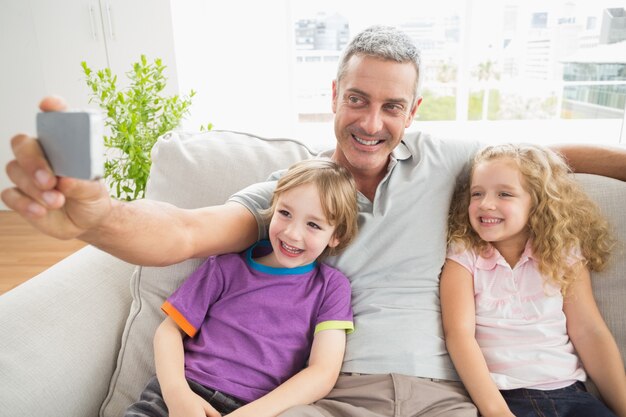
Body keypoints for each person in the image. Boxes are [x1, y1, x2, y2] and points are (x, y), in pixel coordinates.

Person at [3, 25, 626, 416]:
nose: (371, 122)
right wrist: (97, 219)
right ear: (333, 96)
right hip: (336, 392)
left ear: (412, 112)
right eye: (357, 98)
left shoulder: (454, 162)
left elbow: (550, 161)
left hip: (444, 392)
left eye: (391, 106)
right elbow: (184, 232)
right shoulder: (293, 195)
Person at [126, 158, 359, 417]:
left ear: (336, 235)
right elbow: (169, 331)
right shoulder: (225, 267)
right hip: (181, 394)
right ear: (273, 208)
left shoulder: (331, 287)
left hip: (255, 409)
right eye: (285, 213)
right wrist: (178, 395)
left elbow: (322, 372)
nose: (293, 233)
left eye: (313, 225)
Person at [441, 143, 626, 417]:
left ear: (538, 202)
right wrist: (497, 412)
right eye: (477, 193)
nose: (485, 204)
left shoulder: (563, 255)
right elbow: (459, 336)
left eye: (504, 193)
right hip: (503, 398)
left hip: (572, 394)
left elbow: (590, 332)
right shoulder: (464, 256)